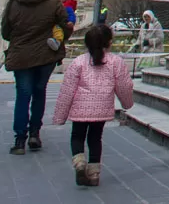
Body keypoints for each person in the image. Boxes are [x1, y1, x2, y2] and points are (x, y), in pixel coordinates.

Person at [52, 23, 133, 187]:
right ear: (109, 43)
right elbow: (124, 86)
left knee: (77, 136)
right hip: (101, 109)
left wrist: (60, 116)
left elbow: (67, 91)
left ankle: (80, 163)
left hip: (80, 109)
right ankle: (94, 173)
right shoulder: (115, 62)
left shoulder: (78, 63)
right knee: (95, 139)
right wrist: (127, 103)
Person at [1, 0, 69, 154]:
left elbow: (6, 32)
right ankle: (34, 133)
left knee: (23, 95)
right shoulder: (54, 2)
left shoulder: (14, 2)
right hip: (46, 54)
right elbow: (65, 25)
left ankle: (19, 139)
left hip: (21, 55)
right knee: (40, 92)